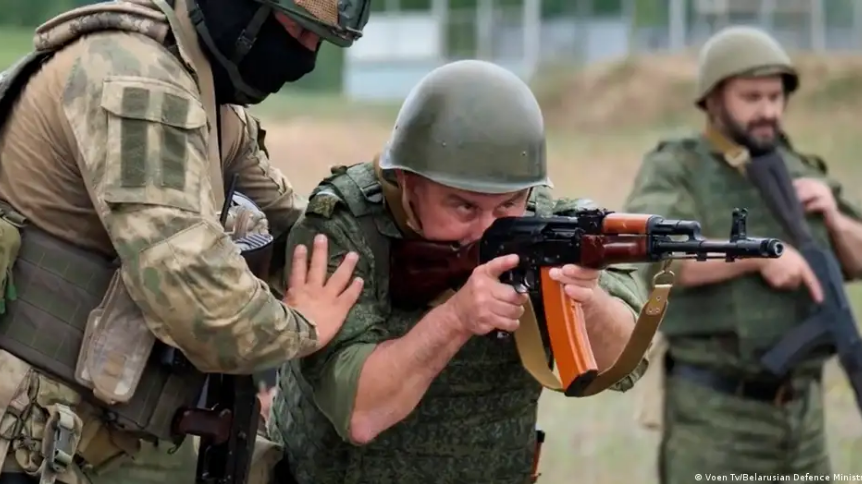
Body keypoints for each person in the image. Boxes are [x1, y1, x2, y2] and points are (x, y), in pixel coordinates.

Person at [0, 0, 372, 483]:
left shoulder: (208, 99)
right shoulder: (137, 79)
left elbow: (303, 226)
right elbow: (205, 310)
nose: (304, 57)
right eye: (297, 29)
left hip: (72, 443)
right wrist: (303, 327)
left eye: (319, 41)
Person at [265, 59, 650, 484]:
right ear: (408, 184)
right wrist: (456, 319)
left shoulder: (549, 224)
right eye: (464, 206)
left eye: (508, 204)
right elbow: (360, 414)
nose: (488, 229)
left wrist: (587, 302)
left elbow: (626, 368)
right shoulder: (342, 230)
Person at [622, 26, 862, 483]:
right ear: (714, 97)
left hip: (802, 420)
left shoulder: (798, 168)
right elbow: (661, 255)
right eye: (752, 97)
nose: (767, 110)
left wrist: (836, 220)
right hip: (716, 420)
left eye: (776, 97)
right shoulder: (678, 168)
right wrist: (759, 256)